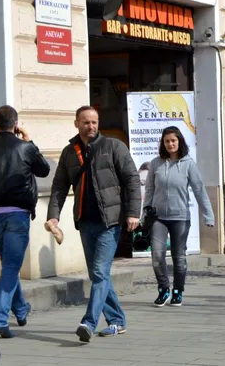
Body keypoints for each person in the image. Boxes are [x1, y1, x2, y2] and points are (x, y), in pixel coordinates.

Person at [47, 106, 141, 342]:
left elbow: (132, 179)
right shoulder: (70, 152)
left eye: (95, 122)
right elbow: (59, 186)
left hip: (110, 221)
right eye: (86, 122)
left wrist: (133, 213)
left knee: (99, 272)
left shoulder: (113, 147)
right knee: (98, 274)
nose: (91, 126)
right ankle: (117, 321)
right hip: (85, 221)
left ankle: (88, 322)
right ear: (76, 123)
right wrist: (54, 215)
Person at [0, 106, 50, 338]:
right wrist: (30, 141)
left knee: (8, 266)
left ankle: (21, 310)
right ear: (16, 124)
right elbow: (43, 170)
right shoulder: (26, 148)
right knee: (11, 267)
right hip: (17, 215)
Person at [143, 127, 215, 308]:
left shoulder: (188, 164)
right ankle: (163, 289)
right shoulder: (155, 163)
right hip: (158, 217)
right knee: (157, 255)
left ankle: (177, 291)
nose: (170, 144)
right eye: (167, 141)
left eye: (173, 141)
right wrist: (145, 212)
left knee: (179, 257)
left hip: (180, 217)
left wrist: (209, 215)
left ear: (179, 142)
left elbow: (199, 189)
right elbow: (149, 190)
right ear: (163, 143)